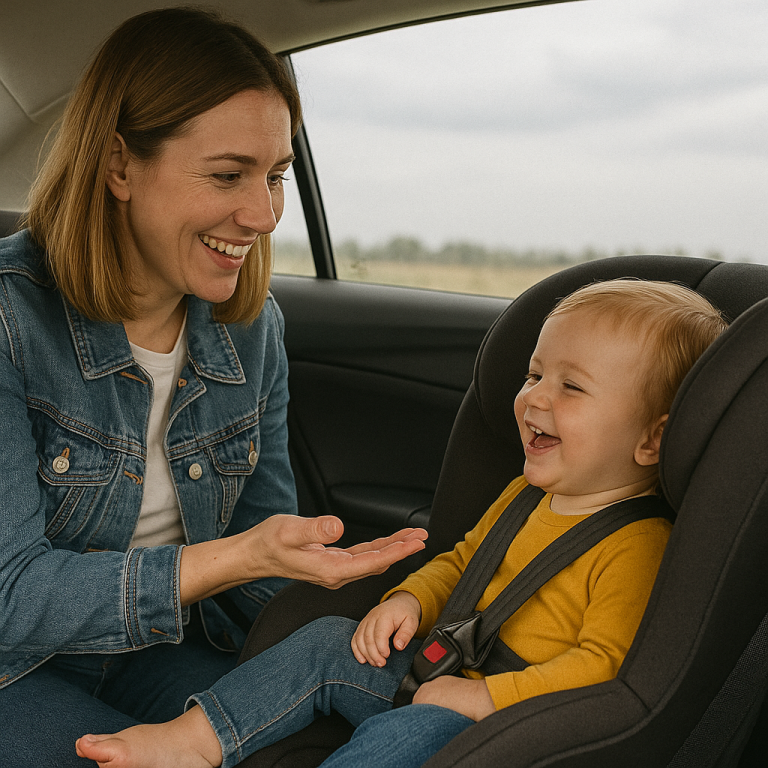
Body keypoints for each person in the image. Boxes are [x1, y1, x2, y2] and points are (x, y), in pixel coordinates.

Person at [0, 8, 427, 766]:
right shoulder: (10, 320)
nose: (263, 214)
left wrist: (388, 603)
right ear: (119, 165)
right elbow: (13, 600)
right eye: (229, 175)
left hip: (166, 644)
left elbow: (271, 557)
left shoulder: (252, 328)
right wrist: (238, 557)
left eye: (276, 176)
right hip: (16, 665)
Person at [74, 279, 728, 768]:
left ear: (651, 440)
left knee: (400, 738)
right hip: (441, 670)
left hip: (508, 728)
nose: (533, 397)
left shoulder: (637, 544)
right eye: (534, 374)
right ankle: (192, 741)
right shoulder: (526, 496)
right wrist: (411, 599)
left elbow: (601, 670)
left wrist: (486, 701)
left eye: (572, 387)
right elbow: (462, 559)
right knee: (329, 639)